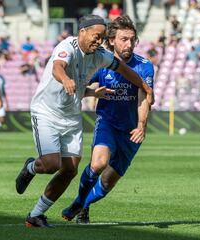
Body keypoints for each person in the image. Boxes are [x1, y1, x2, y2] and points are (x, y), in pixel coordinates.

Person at [14, 14, 153, 228]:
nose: (98, 41)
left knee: (70, 170)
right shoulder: (66, 46)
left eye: (101, 38)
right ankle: (31, 167)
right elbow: (57, 67)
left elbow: (126, 71)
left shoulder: (100, 56)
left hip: (71, 116)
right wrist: (66, 78)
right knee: (52, 164)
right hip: (46, 112)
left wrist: (144, 87)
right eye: (96, 37)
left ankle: (36, 215)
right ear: (82, 32)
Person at [61, 15, 154, 224]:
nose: (128, 44)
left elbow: (143, 97)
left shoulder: (144, 66)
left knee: (107, 183)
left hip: (131, 132)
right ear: (111, 40)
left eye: (132, 39)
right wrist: (92, 93)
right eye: (123, 39)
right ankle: (79, 204)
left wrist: (141, 125)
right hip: (107, 123)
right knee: (98, 164)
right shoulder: (100, 62)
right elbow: (80, 88)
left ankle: (84, 204)